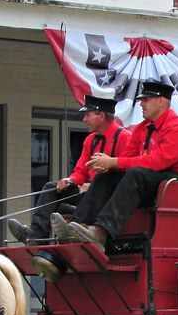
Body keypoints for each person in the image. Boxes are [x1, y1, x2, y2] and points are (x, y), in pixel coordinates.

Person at [53, 80, 178, 251]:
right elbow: (127, 159)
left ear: (161, 101)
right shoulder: (142, 128)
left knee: (136, 174)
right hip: (155, 183)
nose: (141, 104)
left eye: (146, 100)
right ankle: (76, 226)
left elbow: (158, 161)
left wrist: (114, 161)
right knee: (106, 178)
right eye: (142, 100)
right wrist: (107, 166)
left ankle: (102, 231)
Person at [8, 95, 131, 245]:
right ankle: (36, 235)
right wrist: (70, 180)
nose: (84, 119)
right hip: (86, 194)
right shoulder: (90, 140)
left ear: (101, 116)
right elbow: (80, 171)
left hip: (106, 199)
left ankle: (71, 231)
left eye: (87, 114)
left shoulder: (125, 138)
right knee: (51, 188)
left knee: (99, 181)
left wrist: (92, 186)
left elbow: (126, 176)